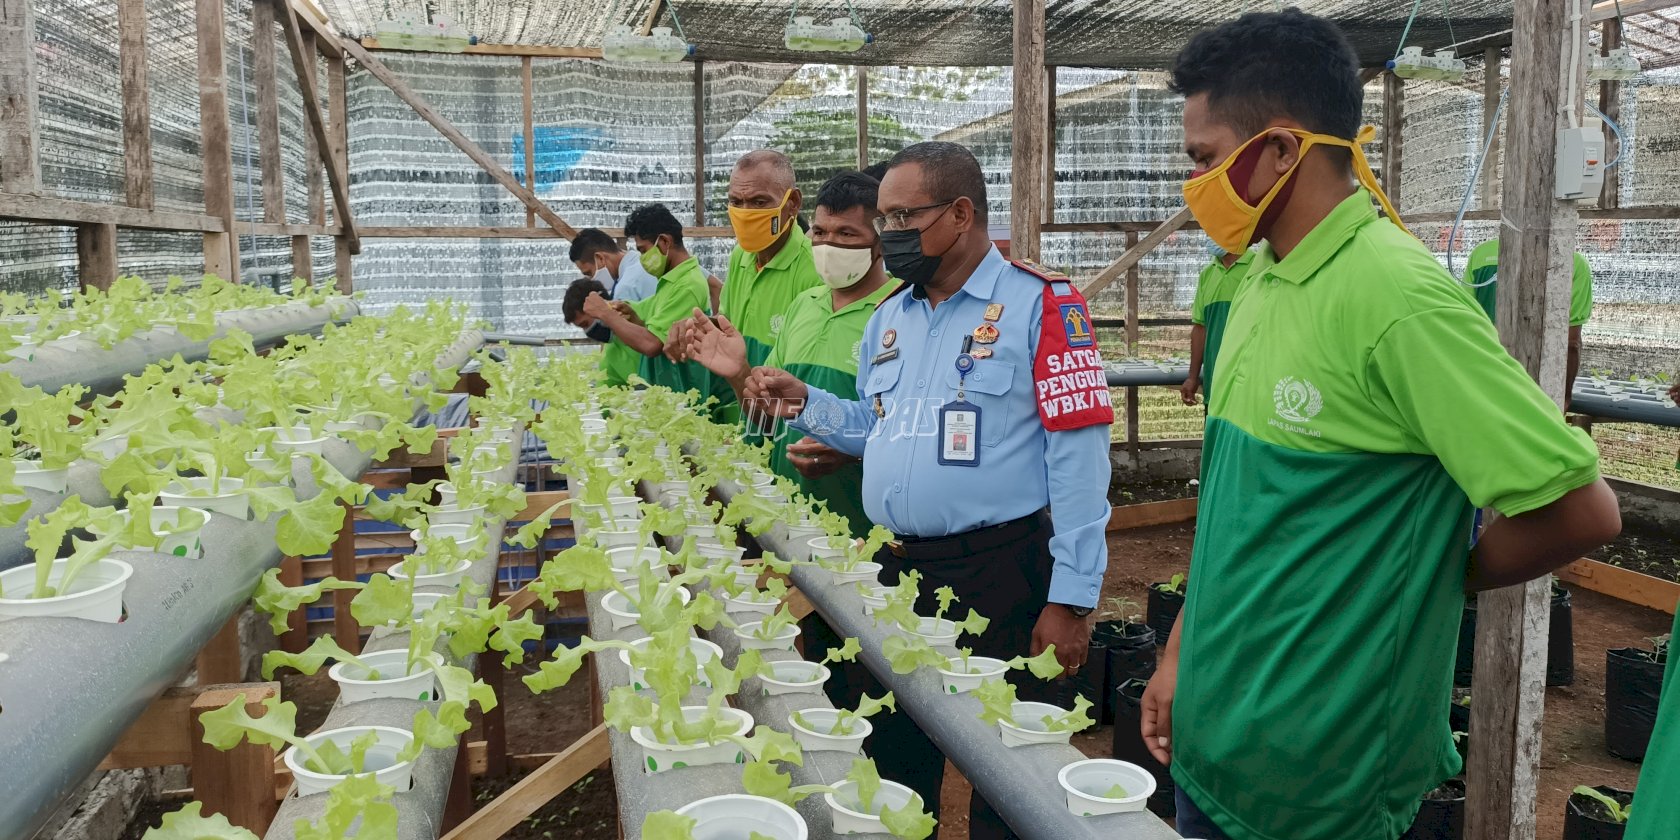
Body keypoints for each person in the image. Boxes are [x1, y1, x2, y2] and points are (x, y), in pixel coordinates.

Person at [1143, 11, 1622, 840]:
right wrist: (1182, 651)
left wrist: (1434, 573)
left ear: (1284, 150)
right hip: (1212, 739)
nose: (1194, 187)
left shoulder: (1398, 299)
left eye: (1206, 159)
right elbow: (1232, 507)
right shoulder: (1258, 279)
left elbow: (1582, 511)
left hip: (1324, 773)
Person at [741, 141, 1113, 839]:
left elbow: (1080, 457)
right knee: (893, 759)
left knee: (1010, 772)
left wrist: (1071, 598)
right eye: (883, 220)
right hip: (895, 570)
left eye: (902, 217)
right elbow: (877, 428)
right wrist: (808, 401)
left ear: (961, 214)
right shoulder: (891, 317)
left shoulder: (1043, 305)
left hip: (1001, 571)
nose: (888, 237)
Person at [686, 171, 897, 538]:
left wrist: (854, 452)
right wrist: (739, 373)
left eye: (847, 234)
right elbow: (766, 421)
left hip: (863, 532)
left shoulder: (901, 312)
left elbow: (913, 432)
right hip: (790, 522)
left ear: (880, 244)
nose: (828, 244)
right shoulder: (804, 305)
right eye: (820, 232)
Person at [665, 150, 823, 421]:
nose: (745, 214)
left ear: (793, 203)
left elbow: (804, 383)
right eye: (736, 202)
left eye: (759, 202)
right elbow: (730, 324)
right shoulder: (742, 256)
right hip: (747, 415)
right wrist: (697, 326)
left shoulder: (815, 269)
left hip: (787, 427)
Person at [579, 204, 710, 392]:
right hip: (667, 395)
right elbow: (653, 322)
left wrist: (605, 314)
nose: (642, 259)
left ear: (664, 241)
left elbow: (652, 344)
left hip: (682, 395)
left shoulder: (688, 285)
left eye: (643, 250)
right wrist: (631, 314)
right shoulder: (669, 282)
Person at [1462, 239, 1594, 409]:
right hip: (1540, 391)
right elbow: (1571, 343)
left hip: (1486, 381)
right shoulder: (1574, 263)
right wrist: (1565, 397)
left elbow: (1467, 324)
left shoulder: (1480, 255)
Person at [1180, 246, 1255, 405]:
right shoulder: (1207, 275)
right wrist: (1192, 377)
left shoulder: (1259, 268)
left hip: (1250, 385)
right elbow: (1200, 328)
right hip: (1215, 384)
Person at [562, 277, 641, 387]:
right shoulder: (610, 354)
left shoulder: (650, 311)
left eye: (585, 324)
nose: (588, 331)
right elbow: (604, 392)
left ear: (600, 305)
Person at [570, 228, 658, 303]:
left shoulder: (626, 288)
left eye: (589, 273)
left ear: (600, 258)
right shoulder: (645, 260)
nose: (591, 279)